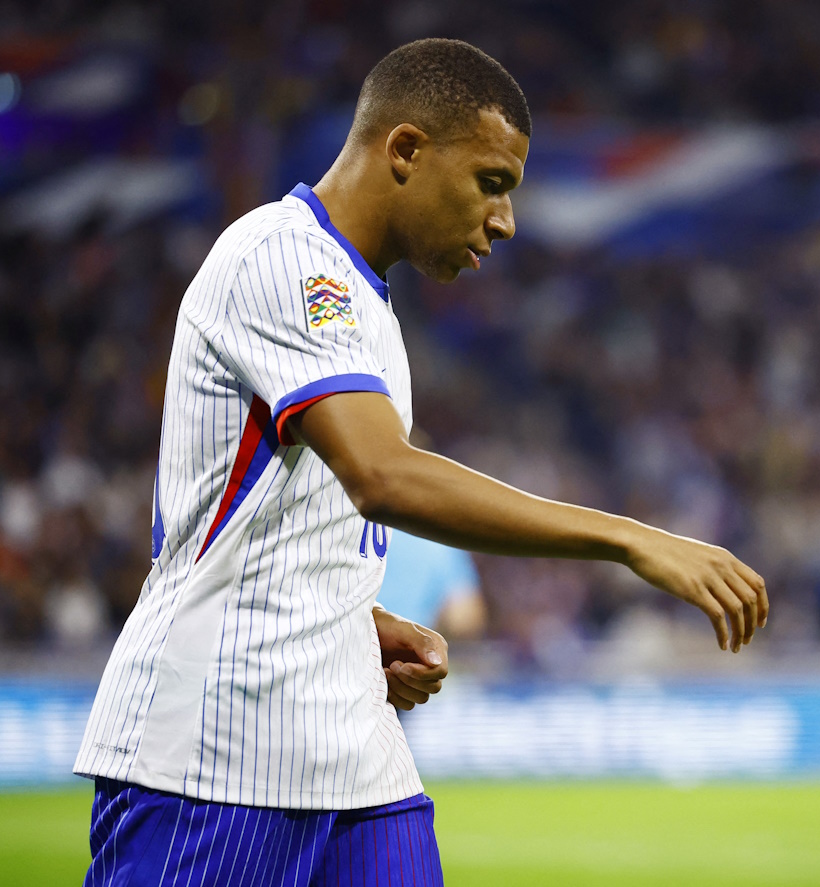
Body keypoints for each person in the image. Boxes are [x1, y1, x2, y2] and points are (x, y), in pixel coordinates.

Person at [74, 38, 766, 886]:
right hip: (215, 755)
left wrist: (345, 620)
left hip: (353, 754)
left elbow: (275, 518)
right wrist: (628, 538)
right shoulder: (282, 259)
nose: (505, 221)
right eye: (492, 183)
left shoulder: (366, 304)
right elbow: (383, 475)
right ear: (405, 150)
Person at [378, 530, 487, 640]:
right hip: (412, 645)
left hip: (367, 640)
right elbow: (464, 617)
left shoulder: (368, 530)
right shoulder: (438, 539)